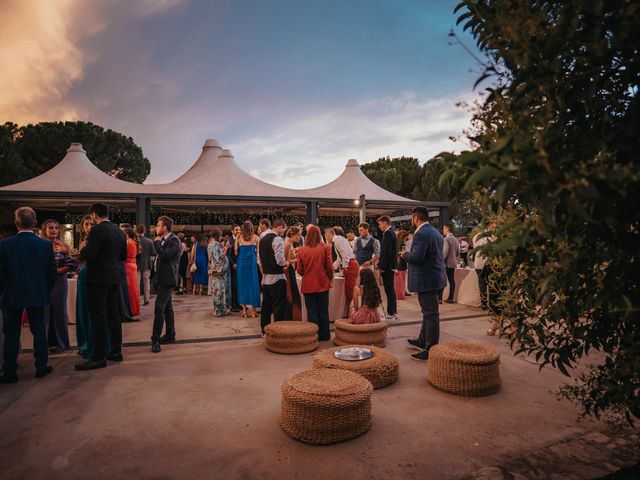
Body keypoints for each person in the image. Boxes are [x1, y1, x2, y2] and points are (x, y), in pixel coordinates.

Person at [0, 207, 57, 383]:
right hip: (37, 293)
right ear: (34, 223)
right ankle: (41, 366)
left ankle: (9, 371)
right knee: (39, 330)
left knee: (11, 333)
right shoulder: (45, 245)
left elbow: (1, 274)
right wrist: (45, 290)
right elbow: (51, 273)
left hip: (11, 294)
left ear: (16, 223)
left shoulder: (4, 245)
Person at [75, 203, 127, 370]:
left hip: (97, 279)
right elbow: (123, 255)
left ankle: (98, 357)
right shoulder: (118, 230)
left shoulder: (97, 230)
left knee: (98, 317)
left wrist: (82, 250)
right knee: (114, 315)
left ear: (94, 215)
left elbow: (90, 254)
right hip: (113, 277)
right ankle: (116, 351)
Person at [403, 206, 447, 362]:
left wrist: (405, 254)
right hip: (435, 277)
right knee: (428, 313)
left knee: (431, 314)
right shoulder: (435, 231)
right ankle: (422, 340)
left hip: (427, 279)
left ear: (415, 218)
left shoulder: (421, 233)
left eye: (411, 218)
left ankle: (430, 349)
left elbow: (417, 257)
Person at [41, 219, 76, 351]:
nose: (54, 230)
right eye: (51, 228)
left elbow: (73, 263)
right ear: (45, 230)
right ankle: (43, 345)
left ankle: (61, 344)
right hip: (43, 282)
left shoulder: (62, 245)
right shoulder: (39, 245)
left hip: (60, 282)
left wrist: (59, 270)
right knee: (44, 313)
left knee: (60, 312)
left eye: (56, 228)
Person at [296, 226, 333, 341]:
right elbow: (329, 267)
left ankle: (314, 336)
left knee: (311, 311)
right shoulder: (325, 247)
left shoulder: (302, 250)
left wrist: (306, 275)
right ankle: (325, 335)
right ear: (319, 234)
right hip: (322, 283)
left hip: (308, 284)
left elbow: (299, 270)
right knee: (323, 309)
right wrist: (329, 278)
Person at [151, 216, 180, 353]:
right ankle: (170, 334)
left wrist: (156, 243)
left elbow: (164, 255)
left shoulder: (173, 240)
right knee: (167, 308)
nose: (155, 227)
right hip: (161, 278)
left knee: (159, 308)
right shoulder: (164, 240)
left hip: (167, 280)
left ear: (164, 228)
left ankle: (155, 340)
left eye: (158, 225)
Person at [257, 219, 288, 333]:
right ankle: (278, 331)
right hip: (277, 278)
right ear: (279, 226)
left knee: (266, 307)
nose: (284, 231)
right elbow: (279, 260)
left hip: (266, 279)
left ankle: (264, 331)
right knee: (279, 307)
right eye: (284, 228)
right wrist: (286, 263)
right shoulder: (278, 239)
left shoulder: (262, 239)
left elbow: (259, 260)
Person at [325, 226, 358, 318]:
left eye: (326, 236)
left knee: (350, 291)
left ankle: (354, 313)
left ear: (330, 234)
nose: (326, 238)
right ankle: (349, 312)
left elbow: (345, 255)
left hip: (350, 265)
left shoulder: (338, 239)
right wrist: (331, 267)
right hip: (349, 265)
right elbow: (339, 259)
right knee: (348, 291)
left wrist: (345, 267)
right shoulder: (336, 241)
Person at [76, 215, 95, 359]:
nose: (89, 227)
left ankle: (92, 344)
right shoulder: (83, 242)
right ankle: (84, 343)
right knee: (83, 311)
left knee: (91, 311)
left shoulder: (96, 241)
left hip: (92, 278)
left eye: (91, 224)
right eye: (86, 225)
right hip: (82, 276)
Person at [235, 221, 260, 318]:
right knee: (253, 285)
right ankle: (254, 312)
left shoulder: (238, 237)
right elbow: (258, 253)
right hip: (251, 263)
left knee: (242, 286)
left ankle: (244, 311)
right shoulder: (256, 238)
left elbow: (236, 252)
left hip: (241, 263)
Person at [377, 215, 398, 321]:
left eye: (380, 224)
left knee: (389, 290)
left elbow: (385, 252)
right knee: (390, 290)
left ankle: (390, 313)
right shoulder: (392, 233)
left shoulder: (388, 233)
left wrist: (381, 266)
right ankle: (393, 311)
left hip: (388, 267)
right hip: (391, 265)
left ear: (385, 223)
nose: (379, 226)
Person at [207, 228, 230, 317]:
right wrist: (226, 248)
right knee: (220, 290)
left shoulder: (210, 244)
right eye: (220, 235)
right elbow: (221, 257)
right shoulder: (215, 245)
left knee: (216, 290)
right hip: (219, 270)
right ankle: (220, 310)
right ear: (218, 235)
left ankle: (218, 309)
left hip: (214, 270)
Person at [284, 226, 302, 320]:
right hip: (288, 271)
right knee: (293, 294)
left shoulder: (289, 244)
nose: (299, 237)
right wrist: (299, 258)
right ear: (292, 235)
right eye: (298, 235)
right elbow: (287, 261)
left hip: (290, 270)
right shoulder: (288, 244)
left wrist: (296, 252)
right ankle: (292, 317)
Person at [136, 224, 155, 304]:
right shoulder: (149, 241)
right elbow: (154, 253)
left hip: (137, 264)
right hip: (147, 264)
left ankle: (137, 300)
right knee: (146, 282)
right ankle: (146, 300)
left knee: (137, 283)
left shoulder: (135, 241)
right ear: (144, 231)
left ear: (136, 231)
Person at [442, 223, 460, 304]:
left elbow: (445, 252)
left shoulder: (446, 239)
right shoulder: (456, 239)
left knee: (442, 280)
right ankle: (451, 298)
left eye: (444, 229)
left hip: (446, 263)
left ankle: (439, 298)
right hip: (453, 263)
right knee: (452, 281)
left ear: (446, 229)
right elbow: (457, 252)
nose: (443, 231)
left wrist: (441, 260)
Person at [125, 230, 141, 316]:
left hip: (128, 266)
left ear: (127, 235)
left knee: (129, 290)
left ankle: (131, 310)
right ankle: (135, 309)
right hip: (133, 265)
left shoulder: (129, 243)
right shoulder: (135, 243)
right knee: (134, 289)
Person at [226, 225, 242, 312]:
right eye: (236, 230)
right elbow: (228, 255)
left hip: (240, 266)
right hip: (233, 267)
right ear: (232, 231)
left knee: (238, 286)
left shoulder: (240, 240)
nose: (238, 231)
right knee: (233, 286)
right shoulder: (230, 241)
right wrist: (233, 264)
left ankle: (238, 304)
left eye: (239, 229)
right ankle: (233, 305)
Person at [395, 230, 408, 300]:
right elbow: (402, 254)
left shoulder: (396, 243)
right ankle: (401, 295)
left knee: (397, 281)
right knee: (402, 281)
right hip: (401, 263)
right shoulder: (402, 244)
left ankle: (398, 295)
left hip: (397, 264)